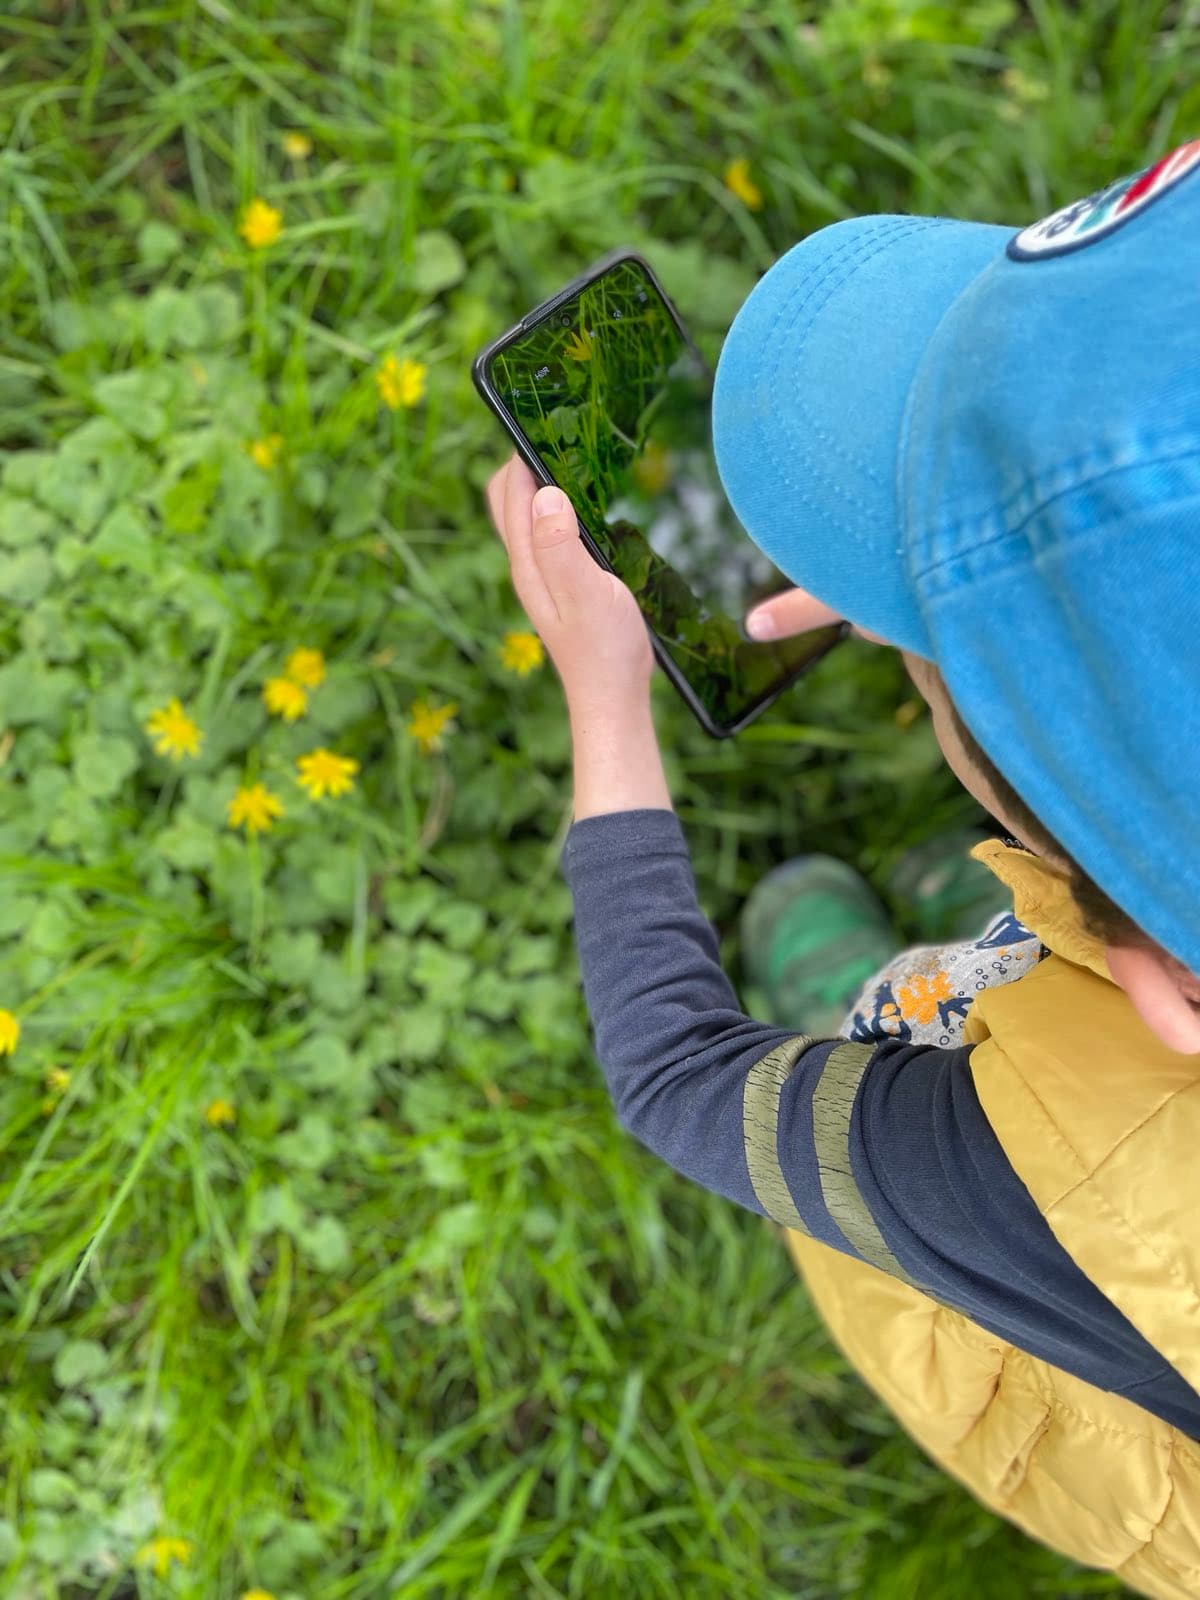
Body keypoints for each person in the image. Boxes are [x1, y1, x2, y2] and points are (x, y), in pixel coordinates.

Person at [483, 142, 1200, 1600]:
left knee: (911, 1070)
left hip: (1074, 1301)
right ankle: (1013, 944)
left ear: (1168, 987)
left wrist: (607, 702)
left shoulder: (1042, 1182)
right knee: (1017, 976)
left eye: (945, 675)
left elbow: (677, 1077)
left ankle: (903, 995)